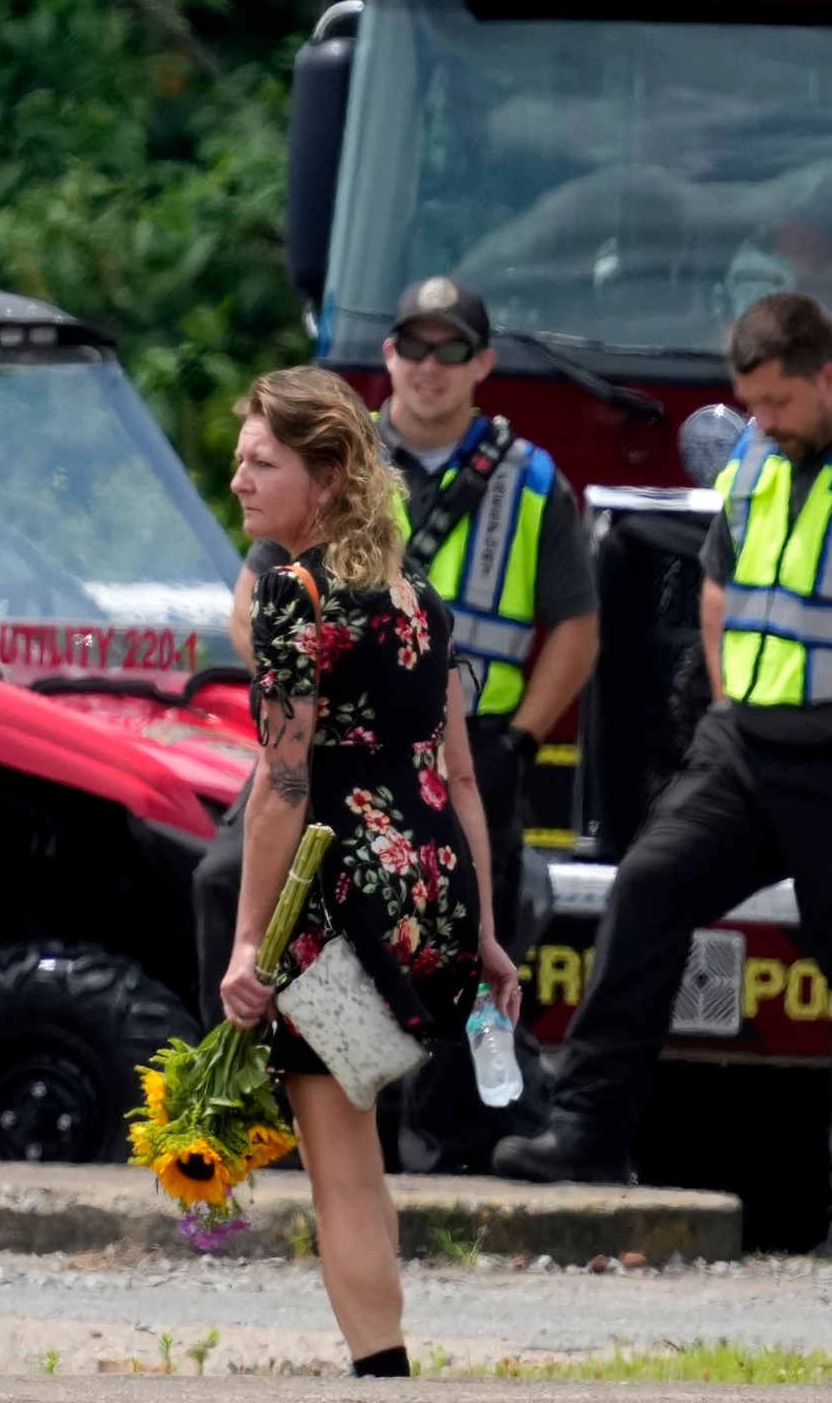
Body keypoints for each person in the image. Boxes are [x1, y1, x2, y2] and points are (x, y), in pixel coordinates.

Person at [492, 294, 832, 1264]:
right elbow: (719, 584)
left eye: (776, 401)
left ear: (830, 378)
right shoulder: (761, 458)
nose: (758, 419)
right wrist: (725, 705)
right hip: (746, 750)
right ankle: (587, 1135)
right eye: (748, 402)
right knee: (649, 887)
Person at [194, 276, 597, 1173]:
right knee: (236, 883)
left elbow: (576, 626)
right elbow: (252, 606)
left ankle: (414, 1127)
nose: (428, 365)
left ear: (482, 365)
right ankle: (308, 1103)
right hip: (355, 753)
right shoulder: (325, 454)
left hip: (452, 744)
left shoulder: (527, 484)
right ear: (387, 358)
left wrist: (519, 738)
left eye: (450, 348)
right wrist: (293, 698)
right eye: (412, 345)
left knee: (421, 926)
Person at [218, 366, 523, 1376]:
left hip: (336, 899)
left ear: (327, 474)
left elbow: (281, 787)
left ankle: (381, 1373)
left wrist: (249, 942)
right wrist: (478, 934)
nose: (240, 483)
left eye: (262, 464)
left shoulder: (290, 598)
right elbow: (462, 779)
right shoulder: (419, 603)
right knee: (362, 1144)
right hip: (429, 897)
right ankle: (382, 1363)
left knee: (341, 1167)